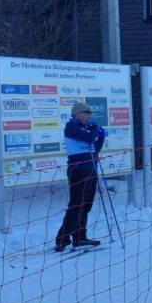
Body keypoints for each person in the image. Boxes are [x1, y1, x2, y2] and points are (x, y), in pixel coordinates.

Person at [54, 102, 105, 251]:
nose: (88, 116)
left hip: (91, 168)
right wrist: (95, 130)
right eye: (85, 113)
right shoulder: (71, 127)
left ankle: (79, 237)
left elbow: (94, 148)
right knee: (76, 204)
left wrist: (101, 138)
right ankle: (62, 238)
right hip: (78, 169)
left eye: (89, 114)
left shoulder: (85, 129)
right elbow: (89, 139)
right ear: (76, 114)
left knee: (86, 205)